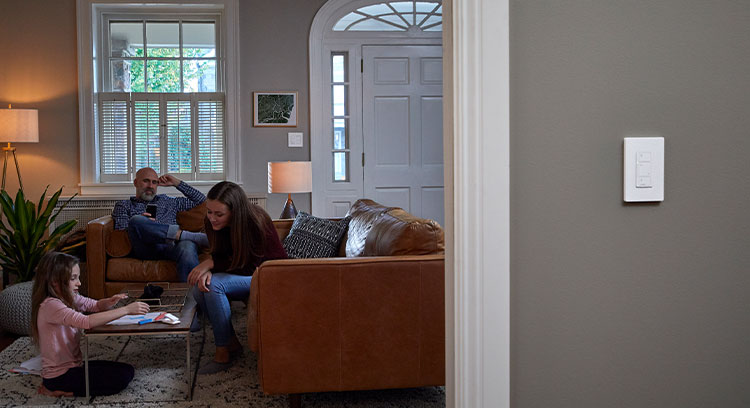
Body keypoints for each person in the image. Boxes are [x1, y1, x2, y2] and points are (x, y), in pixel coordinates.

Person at [188, 181, 287, 374]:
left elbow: (251, 266)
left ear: (235, 211)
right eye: (209, 211)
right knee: (199, 287)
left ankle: (222, 352)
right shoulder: (212, 223)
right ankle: (231, 342)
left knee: (214, 286)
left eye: (219, 214)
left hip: (269, 275)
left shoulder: (255, 222)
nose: (212, 218)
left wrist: (211, 265)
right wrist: (210, 267)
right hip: (245, 271)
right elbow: (222, 255)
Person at [31, 252, 150, 397]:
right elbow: (86, 322)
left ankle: (65, 387)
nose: (79, 283)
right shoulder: (50, 305)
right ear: (55, 281)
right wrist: (126, 310)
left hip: (75, 367)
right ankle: (61, 391)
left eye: (78, 277)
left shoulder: (68, 297)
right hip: (60, 377)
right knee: (122, 378)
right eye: (73, 278)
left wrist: (109, 302)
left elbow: (95, 305)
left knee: (127, 369)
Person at [112, 167, 209, 281]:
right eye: (146, 181)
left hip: (170, 246)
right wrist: (143, 225)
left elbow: (201, 199)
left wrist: (176, 183)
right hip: (145, 248)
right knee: (136, 220)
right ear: (135, 183)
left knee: (187, 246)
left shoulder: (169, 201)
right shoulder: (124, 205)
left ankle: (191, 296)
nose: (150, 186)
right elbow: (122, 230)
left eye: (154, 182)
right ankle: (182, 235)